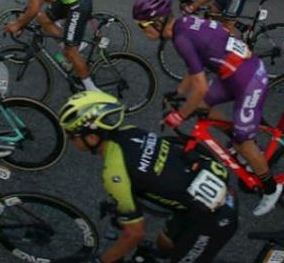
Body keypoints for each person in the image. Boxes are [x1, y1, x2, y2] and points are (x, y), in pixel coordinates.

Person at [131, 0, 282, 216]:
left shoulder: (181, 38)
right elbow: (194, 70)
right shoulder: (184, 23)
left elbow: (200, 85)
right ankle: (239, 143)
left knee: (243, 140)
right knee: (201, 107)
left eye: (143, 26)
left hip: (249, 80)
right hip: (232, 73)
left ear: (159, 21)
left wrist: (180, 115)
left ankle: (271, 187)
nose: (143, 31)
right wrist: (178, 93)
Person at [59, 91, 239, 262]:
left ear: (91, 138)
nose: (70, 140)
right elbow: (150, 174)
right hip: (202, 200)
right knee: (163, 245)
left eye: (72, 136)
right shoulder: (131, 131)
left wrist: (102, 260)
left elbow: (135, 234)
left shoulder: (114, 172)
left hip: (214, 219)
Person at [0, 0, 98, 91]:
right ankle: (68, 45)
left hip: (77, 3)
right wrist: (22, 22)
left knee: (71, 51)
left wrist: (17, 24)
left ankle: (92, 91)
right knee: (43, 17)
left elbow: (33, 8)